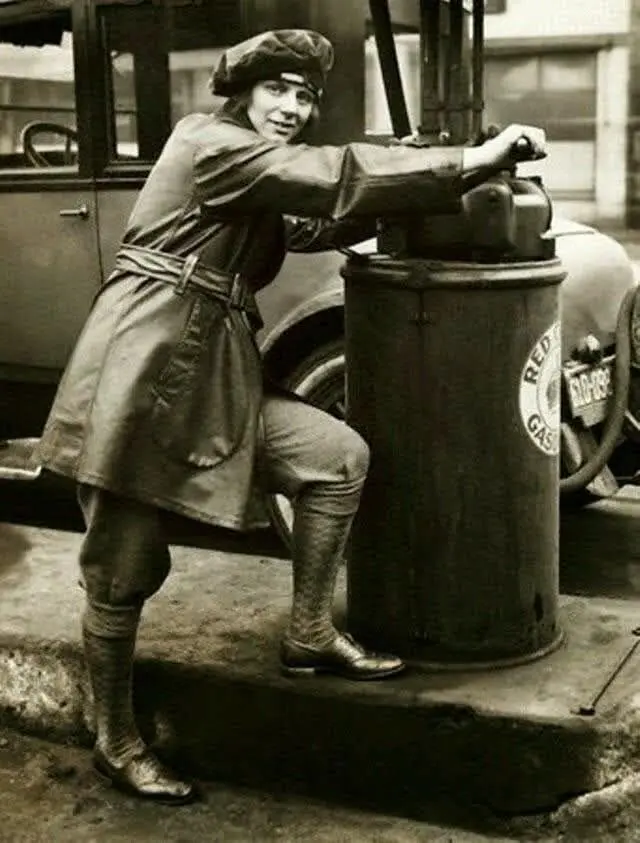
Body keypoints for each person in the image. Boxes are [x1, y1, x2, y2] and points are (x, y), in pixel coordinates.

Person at [37, 29, 547, 805]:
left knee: (335, 457)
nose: (293, 107)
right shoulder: (211, 142)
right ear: (243, 94)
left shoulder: (252, 172)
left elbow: (318, 215)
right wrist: (470, 158)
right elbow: (331, 176)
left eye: (305, 97)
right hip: (143, 364)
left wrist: (426, 174)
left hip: (211, 365)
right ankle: (116, 737)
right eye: (277, 89)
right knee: (124, 564)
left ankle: (309, 630)